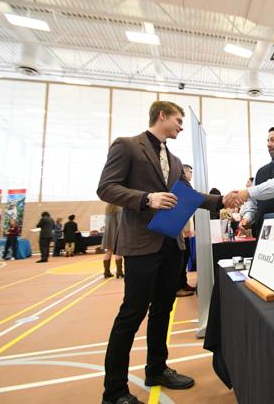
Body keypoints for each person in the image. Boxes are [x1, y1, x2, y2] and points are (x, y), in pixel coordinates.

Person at [97, 100, 232, 404]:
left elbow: (192, 196)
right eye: (179, 121)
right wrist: (147, 198)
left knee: (163, 311)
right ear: (162, 116)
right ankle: (114, 391)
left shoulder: (174, 157)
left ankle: (156, 368)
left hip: (172, 246)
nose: (182, 127)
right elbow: (106, 188)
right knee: (131, 315)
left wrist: (223, 200)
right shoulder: (127, 146)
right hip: (142, 246)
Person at [176, 164, 196, 298]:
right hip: (181, 233)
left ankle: (183, 283)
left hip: (187, 232)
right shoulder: (179, 189)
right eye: (189, 171)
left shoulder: (186, 189)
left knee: (185, 259)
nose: (191, 174)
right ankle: (178, 287)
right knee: (180, 261)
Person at [102, 204, 124, 278]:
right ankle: (119, 272)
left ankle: (106, 272)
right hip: (116, 232)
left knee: (108, 251)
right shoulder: (118, 208)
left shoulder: (107, 208)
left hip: (107, 232)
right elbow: (120, 222)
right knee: (118, 251)